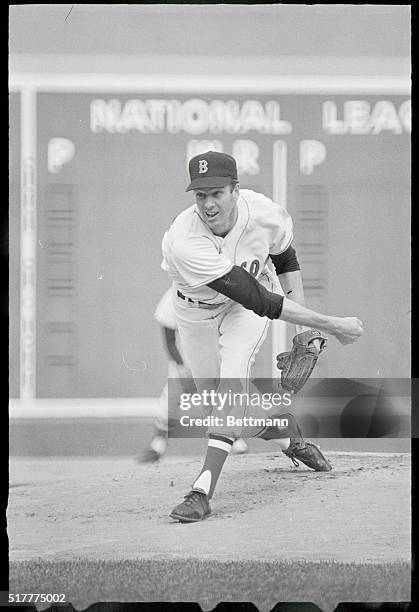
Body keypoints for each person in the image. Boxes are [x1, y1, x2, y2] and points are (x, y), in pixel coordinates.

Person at [161, 151, 363, 522]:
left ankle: (201, 491)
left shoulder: (265, 213)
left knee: (233, 382)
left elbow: (284, 260)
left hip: (244, 312)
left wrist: (304, 333)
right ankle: (284, 432)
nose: (208, 204)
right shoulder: (183, 241)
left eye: (216, 193)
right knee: (214, 402)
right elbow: (259, 298)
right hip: (197, 311)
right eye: (200, 195)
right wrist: (331, 325)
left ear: (235, 190)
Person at [137, 287, 249, 463]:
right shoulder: (174, 294)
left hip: (214, 357)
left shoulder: (220, 290)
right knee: (170, 401)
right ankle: (157, 444)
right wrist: (181, 366)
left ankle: (233, 440)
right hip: (185, 360)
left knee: (217, 401)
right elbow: (168, 338)